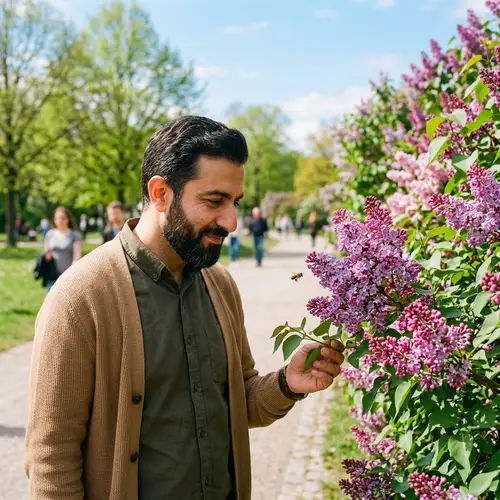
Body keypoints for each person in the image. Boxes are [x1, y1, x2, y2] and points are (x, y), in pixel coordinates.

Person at [25, 116, 345, 500]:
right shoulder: (80, 297)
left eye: (235, 203)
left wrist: (287, 383)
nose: (230, 221)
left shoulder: (221, 285)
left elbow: (237, 401)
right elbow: (51, 458)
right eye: (214, 201)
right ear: (161, 193)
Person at [43, 207, 82, 292]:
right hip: (52, 274)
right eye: (57, 218)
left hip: (68, 275)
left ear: (68, 219)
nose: (60, 220)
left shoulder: (75, 235)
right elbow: (46, 253)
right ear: (54, 220)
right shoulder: (50, 234)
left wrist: (72, 272)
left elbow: (77, 255)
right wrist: (47, 256)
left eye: (63, 218)